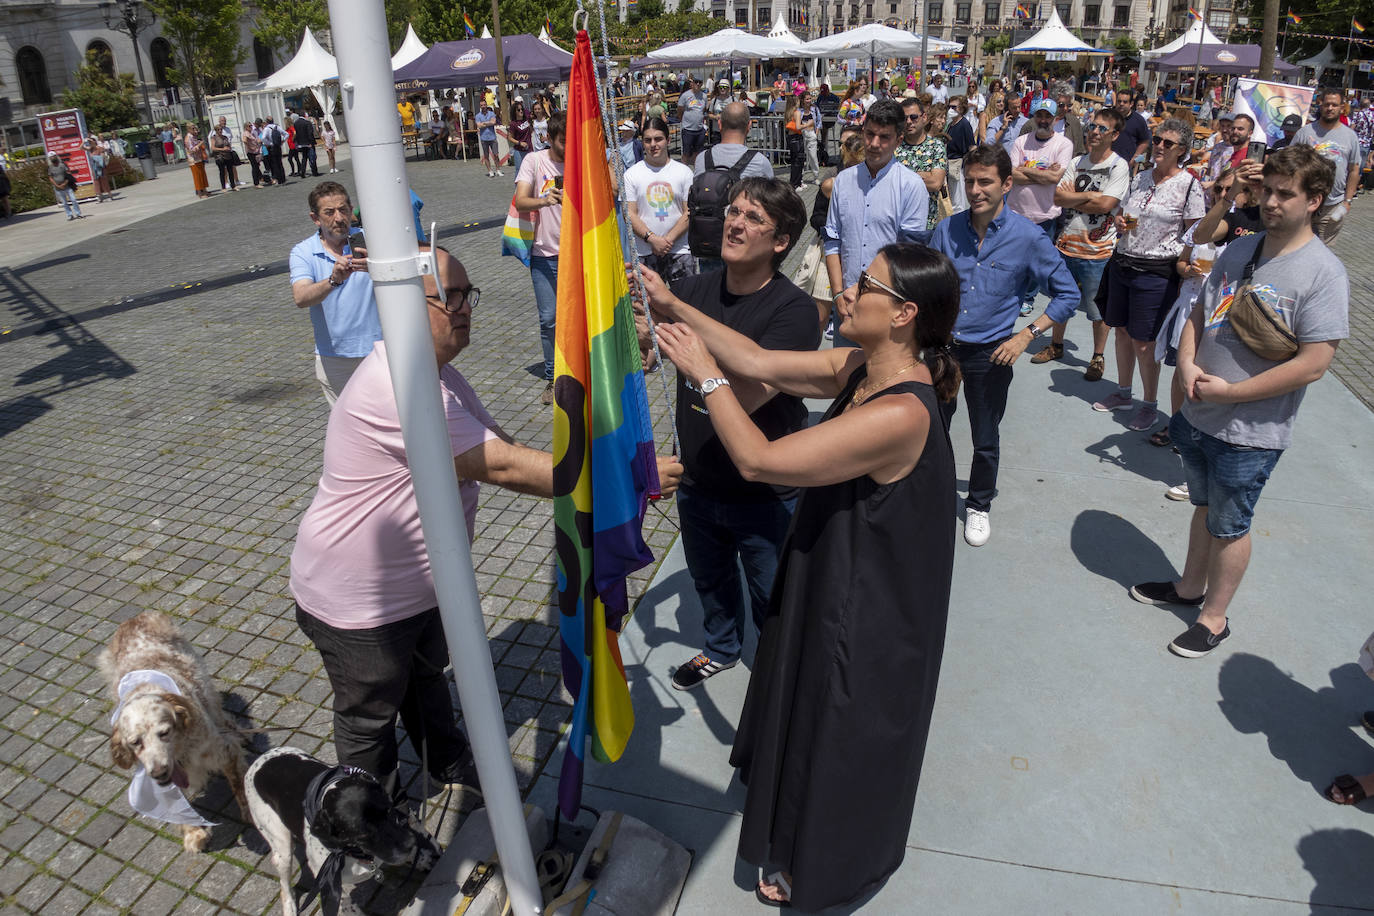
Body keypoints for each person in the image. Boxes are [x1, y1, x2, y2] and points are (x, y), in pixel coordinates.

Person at [291, 244, 682, 799]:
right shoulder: (399, 387)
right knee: (368, 716)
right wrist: (630, 477)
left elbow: (507, 448)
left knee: (425, 676)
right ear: (401, 307)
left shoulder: (437, 374)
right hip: (360, 599)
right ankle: (367, 820)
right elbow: (504, 467)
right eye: (449, 297)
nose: (465, 307)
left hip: (417, 585)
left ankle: (444, 759)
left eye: (467, 293)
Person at [645, 242, 960, 912]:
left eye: (864, 284)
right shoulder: (859, 368)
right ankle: (787, 813)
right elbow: (759, 361)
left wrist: (704, 377)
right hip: (834, 573)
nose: (844, 289)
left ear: (903, 313)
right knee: (804, 698)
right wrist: (675, 307)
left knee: (841, 722)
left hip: (869, 604)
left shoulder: (902, 411)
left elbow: (761, 460)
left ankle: (825, 863)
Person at [1129, 145, 1347, 658]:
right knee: (1204, 508)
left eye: (1284, 194)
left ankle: (1214, 617)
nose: (1269, 202)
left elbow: (1314, 363)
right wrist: (1185, 365)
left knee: (1230, 524)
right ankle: (1188, 589)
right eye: (1266, 190)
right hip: (1201, 414)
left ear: (1314, 201)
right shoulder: (1239, 250)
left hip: (1251, 431)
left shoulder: (1324, 273)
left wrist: (1233, 392)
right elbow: (1199, 315)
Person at [628, 178, 820, 696]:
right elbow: (646, 354)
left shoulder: (794, 312)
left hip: (763, 489)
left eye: (753, 218)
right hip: (698, 477)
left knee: (771, 592)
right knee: (709, 580)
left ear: (781, 241)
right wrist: (638, 337)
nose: (735, 223)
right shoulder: (693, 290)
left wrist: (681, 335)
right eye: (733, 212)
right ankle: (721, 648)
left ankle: (778, 676)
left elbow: (748, 395)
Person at [928, 144, 1078, 547]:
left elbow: (1067, 295)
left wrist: (1026, 335)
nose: (975, 190)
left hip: (990, 354)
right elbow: (927, 287)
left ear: (1007, 184)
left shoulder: (1028, 238)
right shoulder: (946, 230)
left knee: (985, 436)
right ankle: (933, 497)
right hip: (942, 349)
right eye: (970, 181)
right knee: (931, 430)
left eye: (985, 182)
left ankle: (978, 504)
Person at [1093, 118, 1205, 433]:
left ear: (1182, 150)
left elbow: (1197, 233)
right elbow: (1124, 212)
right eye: (1157, 139)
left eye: (1168, 143)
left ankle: (1150, 405)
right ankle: (1124, 393)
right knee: (1121, 332)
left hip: (1157, 270)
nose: (1159, 146)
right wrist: (1118, 222)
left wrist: (1189, 270)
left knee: (1145, 343)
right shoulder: (1141, 177)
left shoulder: (1189, 186)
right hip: (1124, 261)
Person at [1031, 106, 1130, 379]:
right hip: (1066, 245)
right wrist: (1092, 197)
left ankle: (1097, 357)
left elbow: (1108, 204)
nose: (1094, 132)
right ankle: (1056, 345)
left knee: (1097, 309)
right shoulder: (1077, 162)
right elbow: (1059, 198)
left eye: (1101, 128)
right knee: (1060, 298)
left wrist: (1080, 196)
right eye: (1092, 126)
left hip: (1097, 251)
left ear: (1115, 134)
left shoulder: (1118, 166)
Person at [824, 99, 930, 347]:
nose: (874, 144)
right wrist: (838, 293)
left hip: (888, 308)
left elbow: (907, 257)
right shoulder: (843, 181)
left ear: (898, 140)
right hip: (847, 306)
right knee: (845, 381)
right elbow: (832, 242)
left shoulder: (911, 186)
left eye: (884, 137)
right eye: (870, 134)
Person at [289, 181, 383, 404]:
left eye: (343, 210)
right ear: (315, 218)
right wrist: (333, 280)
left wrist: (379, 268)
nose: (339, 218)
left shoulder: (374, 240)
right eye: (329, 212)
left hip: (381, 349)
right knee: (351, 431)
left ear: (352, 210)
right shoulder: (304, 252)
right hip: (335, 358)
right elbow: (301, 297)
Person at [513, 110, 568, 406]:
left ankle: (580, 374)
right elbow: (521, 200)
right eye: (562, 143)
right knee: (549, 319)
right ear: (549, 138)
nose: (567, 149)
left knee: (579, 318)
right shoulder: (534, 161)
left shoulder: (579, 161)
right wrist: (545, 200)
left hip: (577, 255)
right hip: (544, 254)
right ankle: (552, 377)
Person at [690, 101, 776, 273]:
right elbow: (772, 205)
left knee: (711, 293)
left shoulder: (702, 158)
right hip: (744, 244)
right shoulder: (759, 162)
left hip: (709, 242)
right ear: (749, 126)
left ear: (719, 124)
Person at [1007, 98, 1075, 315]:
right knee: (1013, 258)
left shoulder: (1063, 144)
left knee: (1037, 261)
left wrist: (1025, 171)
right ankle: (1012, 296)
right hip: (1016, 213)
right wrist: (1043, 175)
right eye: (1039, 115)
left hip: (1045, 215)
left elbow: (1055, 177)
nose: (1043, 120)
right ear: (1034, 117)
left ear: (1056, 119)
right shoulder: (1021, 141)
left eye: (1048, 116)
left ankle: (1028, 297)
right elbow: (1011, 175)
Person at [624, 118, 697, 284]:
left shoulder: (684, 173)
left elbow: (690, 211)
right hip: (645, 251)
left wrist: (667, 240)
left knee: (684, 304)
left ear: (668, 140)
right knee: (647, 308)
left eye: (658, 139)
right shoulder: (631, 175)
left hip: (680, 250)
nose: (653, 144)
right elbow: (629, 213)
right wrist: (652, 239)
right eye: (648, 140)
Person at [1292, 87, 1363, 242]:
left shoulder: (1350, 136)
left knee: (1324, 252)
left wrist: (1347, 202)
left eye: (1334, 105)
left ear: (1342, 107)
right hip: (1304, 202)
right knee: (1297, 246)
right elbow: (1290, 165)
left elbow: (1354, 170)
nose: (1330, 108)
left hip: (1333, 206)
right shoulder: (1305, 133)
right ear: (1320, 105)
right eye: (1326, 104)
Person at [895, 94, 948, 230]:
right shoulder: (894, 146)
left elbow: (936, 183)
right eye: (904, 118)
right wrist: (924, 175)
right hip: (896, 223)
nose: (908, 122)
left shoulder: (936, 146)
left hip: (926, 224)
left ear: (924, 117)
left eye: (913, 117)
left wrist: (901, 175)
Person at [946, 95, 977, 212]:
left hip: (959, 166)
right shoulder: (950, 125)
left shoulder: (964, 124)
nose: (950, 110)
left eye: (954, 107)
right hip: (949, 164)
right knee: (952, 198)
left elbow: (972, 147)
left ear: (962, 108)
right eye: (949, 107)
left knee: (958, 201)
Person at [1111, 90, 1151, 174]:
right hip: (1107, 161)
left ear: (1131, 104)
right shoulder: (1109, 116)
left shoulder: (1139, 120)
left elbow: (1145, 141)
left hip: (1126, 164)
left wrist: (1134, 158)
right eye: (1119, 101)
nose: (1121, 104)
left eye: (1125, 102)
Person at [985, 92, 1029, 157]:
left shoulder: (1026, 122)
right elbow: (988, 144)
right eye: (1014, 108)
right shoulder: (995, 122)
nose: (1018, 110)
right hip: (1002, 162)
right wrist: (1002, 129)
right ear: (1006, 108)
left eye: (1019, 107)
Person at [678, 76, 708, 166]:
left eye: (700, 82)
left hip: (699, 129)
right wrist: (683, 121)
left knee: (697, 152)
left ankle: (696, 170)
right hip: (687, 129)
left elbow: (704, 110)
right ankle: (684, 170)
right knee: (686, 153)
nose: (698, 84)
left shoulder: (704, 96)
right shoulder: (685, 95)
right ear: (692, 83)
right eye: (696, 82)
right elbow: (679, 111)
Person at [46, 153, 83, 220]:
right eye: (51, 157)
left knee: (73, 200)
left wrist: (65, 183)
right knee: (64, 202)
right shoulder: (50, 168)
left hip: (67, 186)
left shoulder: (63, 164)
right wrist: (57, 185)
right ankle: (70, 215)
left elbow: (69, 174)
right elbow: (50, 177)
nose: (53, 158)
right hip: (58, 188)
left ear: (56, 156)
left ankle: (78, 214)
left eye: (54, 156)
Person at [209, 116, 240, 192]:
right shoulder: (214, 138)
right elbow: (213, 148)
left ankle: (233, 185)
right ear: (216, 131)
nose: (220, 131)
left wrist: (228, 148)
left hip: (228, 156)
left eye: (221, 130)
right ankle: (223, 187)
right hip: (219, 157)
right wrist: (222, 149)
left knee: (230, 171)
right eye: (218, 130)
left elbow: (228, 144)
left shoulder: (225, 137)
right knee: (222, 172)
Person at [82, 134, 113, 203]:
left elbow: (101, 157)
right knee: (96, 182)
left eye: (91, 142)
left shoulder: (99, 148)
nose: (90, 144)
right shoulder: (90, 149)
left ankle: (110, 195)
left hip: (101, 167)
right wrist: (84, 142)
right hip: (94, 167)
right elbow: (81, 148)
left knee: (104, 181)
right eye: (89, 143)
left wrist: (90, 139)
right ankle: (100, 197)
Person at [475, 100, 502, 178]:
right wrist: (488, 123)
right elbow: (479, 126)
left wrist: (484, 123)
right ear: (480, 106)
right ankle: (490, 171)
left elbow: (493, 122)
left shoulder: (491, 113)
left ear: (486, 105)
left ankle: (498, 170)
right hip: (484, 138)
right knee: (486, 156)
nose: (483, 106)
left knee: (496, 154)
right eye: (482, 105)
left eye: (484, 105)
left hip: (492, 137)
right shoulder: (478, 116)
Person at [185, 124, 210, 199]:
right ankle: (200, 193)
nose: (195, 130)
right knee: (197, 176)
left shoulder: (193, 137)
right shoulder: (188, 138)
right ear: (188, 129)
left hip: (199, 158)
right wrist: (200, 144)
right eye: (193, 128)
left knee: (202, 175)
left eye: (195, 128)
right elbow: (191, 149)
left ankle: (204, 190)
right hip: (193, 160)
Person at [294, 110, 320, 178]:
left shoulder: (296, 123)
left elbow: (297, 133)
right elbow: (310, 133)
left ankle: (303, 172)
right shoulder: (307, 123)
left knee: (304, 158)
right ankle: (314, 172)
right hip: (308, 143)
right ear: (304, 115)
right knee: (312, 157)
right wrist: (311, 142)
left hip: (301, 143)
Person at [262, 116, 287, 186]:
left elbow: (263, 138)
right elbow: (286, 134)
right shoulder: (277, 127)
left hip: (272, 148)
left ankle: (279, 180)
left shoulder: (266, 129)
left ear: (266, 122)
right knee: (280, 163)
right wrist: (282, 141)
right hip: (278, 147)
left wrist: (269, 143)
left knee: (275, 164)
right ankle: (283, 179)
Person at [243, 119, 265, 188]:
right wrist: (250, 147)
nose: (251, 127)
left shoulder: (250, 133)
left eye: (251, 126)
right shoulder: (246, 133)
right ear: (246, 127)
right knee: (254, 167)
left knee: (256, 166)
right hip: (251, 152)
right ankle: (256, 183)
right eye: (249, 126)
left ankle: (260, 178)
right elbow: (244, 140)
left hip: (255, 151)